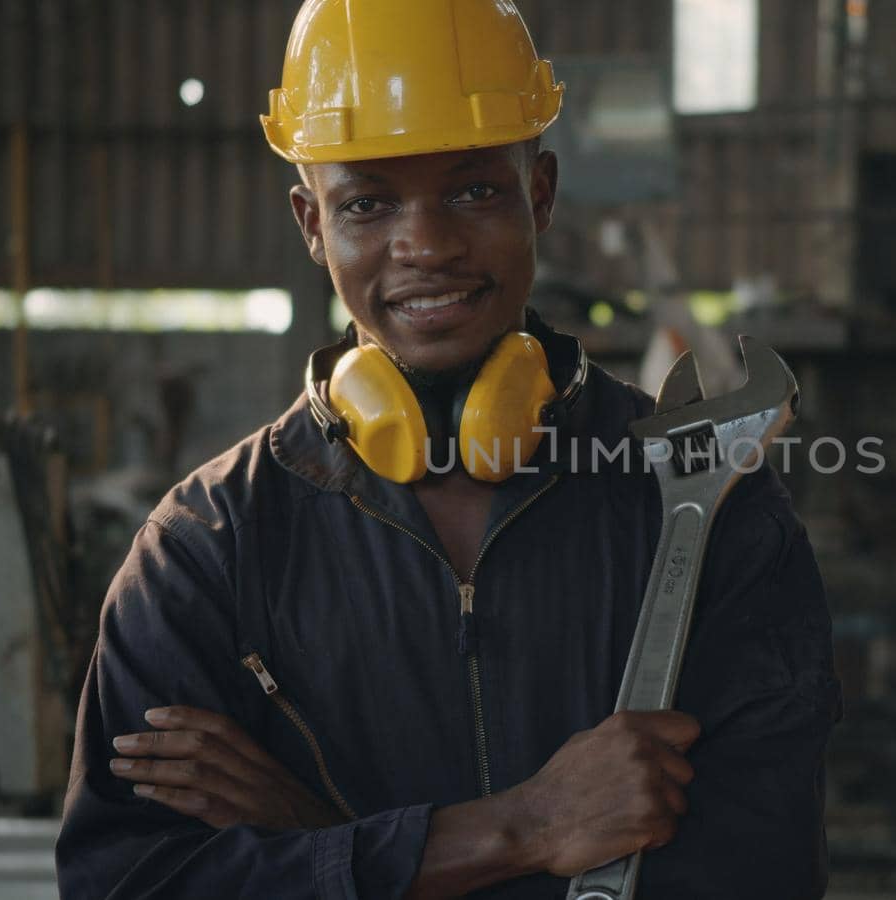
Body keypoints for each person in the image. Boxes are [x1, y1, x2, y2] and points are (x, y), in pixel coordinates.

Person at [53, 1, 841, 897]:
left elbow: (758, 874)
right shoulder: (205, 549)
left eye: (473, 190)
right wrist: (520, 831)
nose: (425, 244)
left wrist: (317, 836)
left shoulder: (708, 507)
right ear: (313, 224)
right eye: (367, 203)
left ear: (539, 195)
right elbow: (130, 885)